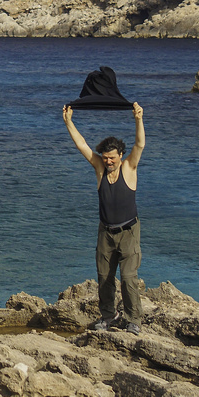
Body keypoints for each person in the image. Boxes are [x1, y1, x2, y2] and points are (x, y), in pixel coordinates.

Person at [62, 101, 146, 333]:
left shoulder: (129, 167)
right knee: (104, 277)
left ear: (120, 155)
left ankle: (134, 320)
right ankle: (108, 316)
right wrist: (69, 122)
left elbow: (140, 144)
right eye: (105, 158)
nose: (108, 162)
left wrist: (138, 119)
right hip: (106, 232)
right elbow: (82, 145)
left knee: (129, 278)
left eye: (112, 158)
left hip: (128, 231)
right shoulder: (99, 168)